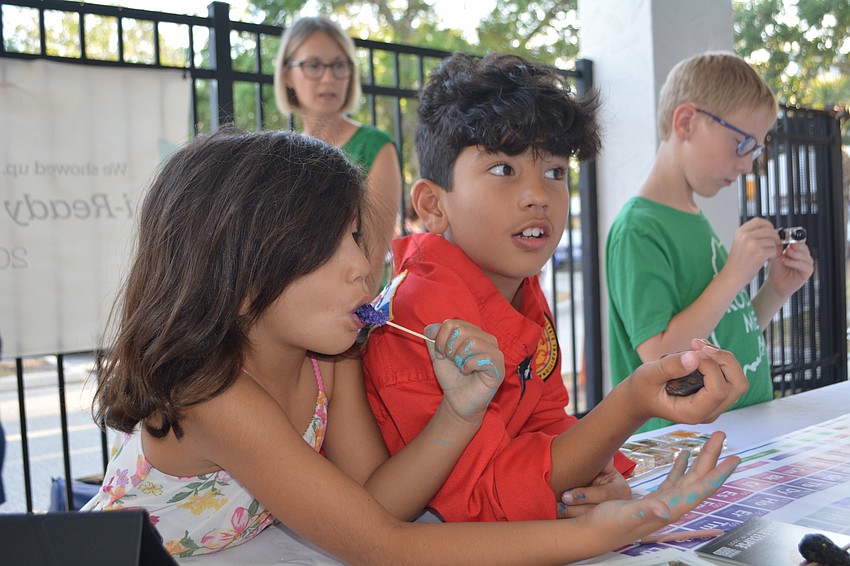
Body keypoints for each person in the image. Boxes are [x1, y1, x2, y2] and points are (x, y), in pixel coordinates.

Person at [83, 128, 740, 564]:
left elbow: (375, 499)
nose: (361, 269)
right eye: (327, 248)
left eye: (357, 239)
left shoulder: (328, 359)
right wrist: (595, 533)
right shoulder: (216, 395)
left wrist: (458, 414)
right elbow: (381, 547)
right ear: (238, 276)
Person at [361, 52, 749, 524]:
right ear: (432, 205)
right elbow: (479, 499)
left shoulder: (521, 290)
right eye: (504, 169)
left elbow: (546, 421)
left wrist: (597, 474)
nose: (539, 194)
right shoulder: (420, 316)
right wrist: (628, 405)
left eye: (555, 172)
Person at [606, 51, 814, 434]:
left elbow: (723, 336)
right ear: (686, 122)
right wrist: (734, 274)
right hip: (678, 450)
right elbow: (661, 356)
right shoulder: (638, 228)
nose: (748, 164)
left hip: (735, 434)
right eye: (742, 144)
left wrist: (775, 291)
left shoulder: (691, 215)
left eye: (756, 149)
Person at [274, 15, 402, 293]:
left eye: (339, 65)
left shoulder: (376, 147)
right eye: (314, 65)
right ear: (287, 74)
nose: (329, 77)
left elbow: (373, 258)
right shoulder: (280, 156)